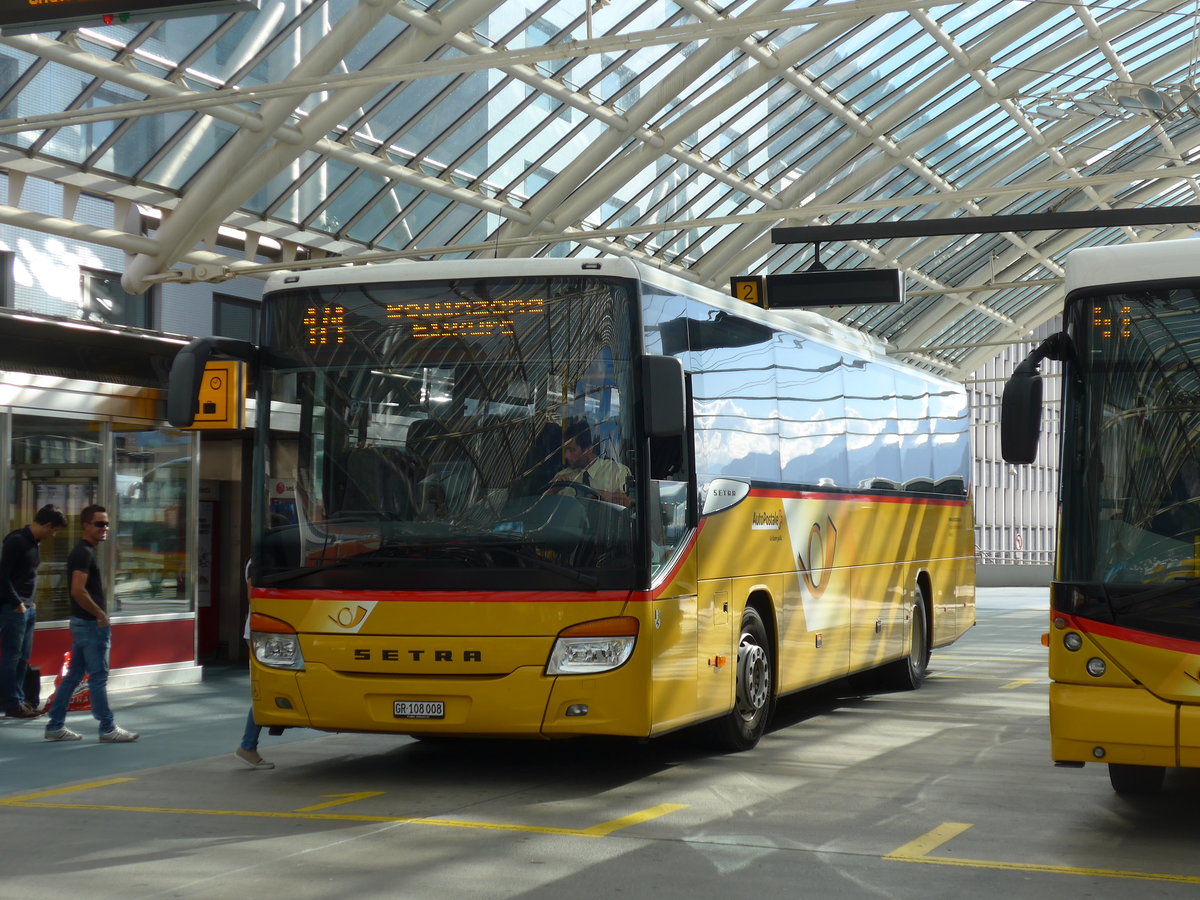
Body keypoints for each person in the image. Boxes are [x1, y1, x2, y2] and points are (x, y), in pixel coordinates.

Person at [43, 505, 139, 743]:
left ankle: (55, 725)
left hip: (83, 624)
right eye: (99, 524)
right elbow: (78, 590)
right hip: (90, 625)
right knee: (97, 677)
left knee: (74, 675)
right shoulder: (83, 553)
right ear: (86, 525)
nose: (104, 528)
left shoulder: (83, 551)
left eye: (106, 523)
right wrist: (100, 615)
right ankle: (107, 727)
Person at [0, 504, 67, 718]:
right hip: (16, 608)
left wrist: (31, 603)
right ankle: (12, 703)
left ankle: (19, 701)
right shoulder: (17, 541)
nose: (53, 535)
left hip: (27, 607)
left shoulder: (33, 543)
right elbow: (3, 576)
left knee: (22, 657)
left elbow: (27, 576)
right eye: (54, 530)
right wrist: (17, 603)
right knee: (12, 656)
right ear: (47, 525)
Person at [235, 560, 274, 769]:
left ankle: (248, 746)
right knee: (262, 691)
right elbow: (253, 595)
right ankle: (247, 746)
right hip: (260, 633)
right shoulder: (257, 561)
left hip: (263, 632)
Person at [548, 419, 633, 507]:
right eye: (565, 450)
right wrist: (553, 490)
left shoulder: (617, 472)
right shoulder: (562, 478)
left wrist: (604, 496)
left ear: (588, 449)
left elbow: (632, 503)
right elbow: (543, 508)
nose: (566, 456)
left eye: (572, 450)